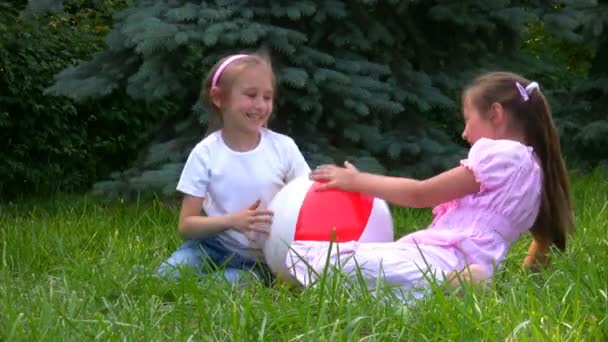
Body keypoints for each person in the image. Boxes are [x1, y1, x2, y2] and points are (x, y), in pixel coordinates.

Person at [285, 71, 575, 299]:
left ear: (496, 114)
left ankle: (458, 284)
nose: (464, 133)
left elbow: (419, 193)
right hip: (466, 263)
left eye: (467, 120)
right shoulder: (536, 176)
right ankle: (457, 288)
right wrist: (520, 289)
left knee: (310, 258)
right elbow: (544, 242)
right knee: (379, 289)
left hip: (442, 259)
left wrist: (356, 180)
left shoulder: (501, 155)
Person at [157, 52, 311, 284]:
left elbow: (308, 198)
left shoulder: (284, 148)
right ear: (219, 98)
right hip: (212, 246)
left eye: (267, 97)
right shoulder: (205, 153)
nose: (260, 105)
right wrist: (233, 221)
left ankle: (239, 280)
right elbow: (186, 226)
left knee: (219, 288)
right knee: (166, 277)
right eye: (251, 95)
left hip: (262, 260)